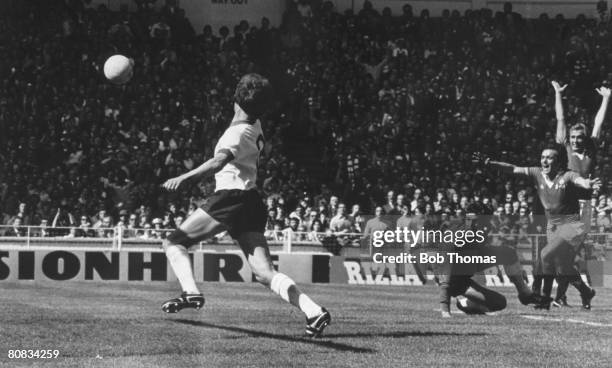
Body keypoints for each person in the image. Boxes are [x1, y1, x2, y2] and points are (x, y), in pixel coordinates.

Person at [160, 74, 330, 337]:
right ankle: (314, 311)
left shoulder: (236, 134)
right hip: (251, 200)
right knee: (264, 273)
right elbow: (247, 109)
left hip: (231, 197)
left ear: (235, 99)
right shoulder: (255, 124)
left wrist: (184, 178)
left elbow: (217, 163)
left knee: (174, 242)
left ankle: (191, 293)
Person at [473, 145, 599, 309]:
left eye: (549, 157)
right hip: (552, 225)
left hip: (572, 224)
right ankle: (586, 292)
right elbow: (513, 169)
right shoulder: (536, 172)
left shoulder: (567, 175)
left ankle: (544, 300)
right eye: (542, 157)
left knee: (545, 255)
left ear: (558, 161)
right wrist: (490, 163)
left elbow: (579, 180)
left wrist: (587, 183)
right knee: (562, 266)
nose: (544, 160)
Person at [543, 81, 609, 308]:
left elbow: (598, 123)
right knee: (563, 256)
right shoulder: (567, 149)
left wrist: (606, 100)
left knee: (565, 255)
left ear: (584, 138)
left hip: (583, 208)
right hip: (566, 207)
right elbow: (560, 120)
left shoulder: (591, 148)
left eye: (579, 138)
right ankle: (579, 293)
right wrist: (558, 95)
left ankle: (571, 294)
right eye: (572, 138)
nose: (575, 141)